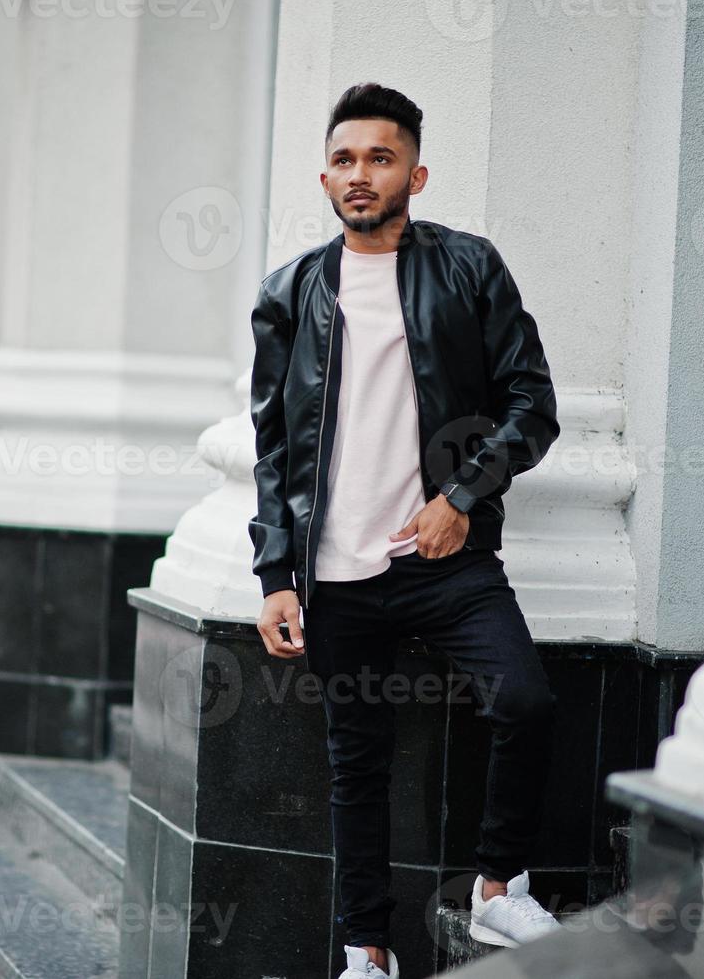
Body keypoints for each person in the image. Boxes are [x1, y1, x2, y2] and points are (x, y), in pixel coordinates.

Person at [247, 82, 564, 978]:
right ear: (324, 176)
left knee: (526, 701)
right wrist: (275, 573)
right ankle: (367, 951)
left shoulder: (468, 268)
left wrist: (458, 497)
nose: (360, 175)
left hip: (443, 556)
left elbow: (530, 403)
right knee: (357, 766)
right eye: (344, 160)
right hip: (335, 573)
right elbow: (271, 446)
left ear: (415, 174)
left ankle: (499, 891)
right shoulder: (288, 293)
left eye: (379, 158)